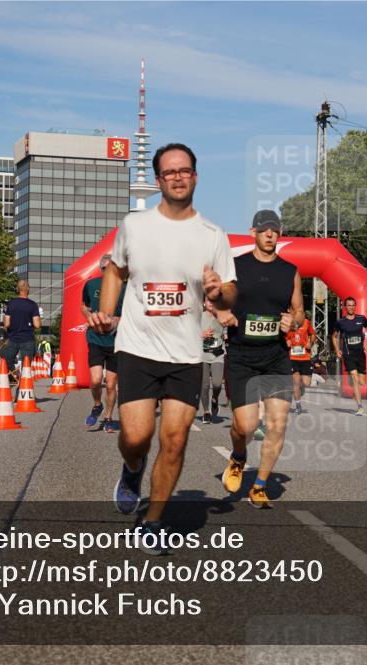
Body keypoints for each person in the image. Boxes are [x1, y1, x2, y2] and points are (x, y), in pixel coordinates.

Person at [90, 143, 236, 555]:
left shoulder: (213, 235)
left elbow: (229, 296)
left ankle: (153, 521)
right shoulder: (135, 226)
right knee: (137, 437)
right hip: (137, 347)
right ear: (158, 181)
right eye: (169, 171)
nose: (177, 176)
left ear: (195, 176)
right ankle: (133, 468)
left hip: (186, 355)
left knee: (174, 440)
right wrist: (105, 312)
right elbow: (115, 270)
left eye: (184, 170)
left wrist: (218, 292)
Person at [215, 210, 304, 509]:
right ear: (253, 231)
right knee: (246, 426)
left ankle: (260, 486)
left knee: (278, 425)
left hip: (276, 356)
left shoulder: (290, 271)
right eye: (264, 229)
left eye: (274, 230)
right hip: (241, 355)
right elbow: (212, 298)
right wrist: (221, 313)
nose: (269, 234)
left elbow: (300, 312)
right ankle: (239, 456)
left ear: (280, 233)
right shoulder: (235, 267)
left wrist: (292, 321)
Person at [81, 253, 125, 432]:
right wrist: (90, 317)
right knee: (96, 380)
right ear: (101, 269)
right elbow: (84, 305)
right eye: (106, 269)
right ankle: (97, 404)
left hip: (115, 340)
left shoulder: (124, 287)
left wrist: (117, 320)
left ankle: (108, 417)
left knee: (112, 384)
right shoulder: (91, 285)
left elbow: (130, 313)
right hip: (95, 338)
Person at [332, 297, 367, 415]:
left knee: (362, 382)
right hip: (348, 354)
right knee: (354, 378)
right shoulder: (340, 322)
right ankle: (360, 406)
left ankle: (356, 390)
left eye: (353, 305)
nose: (351, 307)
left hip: (360, 354)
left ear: (355, 306)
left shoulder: (361, 319)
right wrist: (337, 349)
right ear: (345, 307)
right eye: (349, 305)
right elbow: (334, 336)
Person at [2, 280, 41, 368]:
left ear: (18, 289)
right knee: (26, 366)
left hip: (12, 338)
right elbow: (37, 325)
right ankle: (24, 380)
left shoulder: (11, 304)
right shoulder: (33, 305)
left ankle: (13, 375)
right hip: (28, 339)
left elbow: (7, 324)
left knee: (6, 361)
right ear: (28, 289)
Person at [285, 311, 316, 413]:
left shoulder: (307, 323)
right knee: (295, 383)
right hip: (293, 358)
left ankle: (300, 389)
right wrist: (286, 342)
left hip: (305, 357)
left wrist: (310, 343)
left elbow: (312, 334)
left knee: (306, 383)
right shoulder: (288, 324)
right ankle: (298, 406)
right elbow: (283, 337)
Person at [200, 308, 226, 424]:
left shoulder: (222, 316)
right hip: (201, 355)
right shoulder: (199, 316)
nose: (211, 303)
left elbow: (226, 334)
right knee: (204, 386)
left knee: (217, 383)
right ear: (205, 302)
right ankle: (206, 412)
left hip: (217, 355)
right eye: (208, 301)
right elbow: (189, 332)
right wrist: (202, 334)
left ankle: (215, 398)